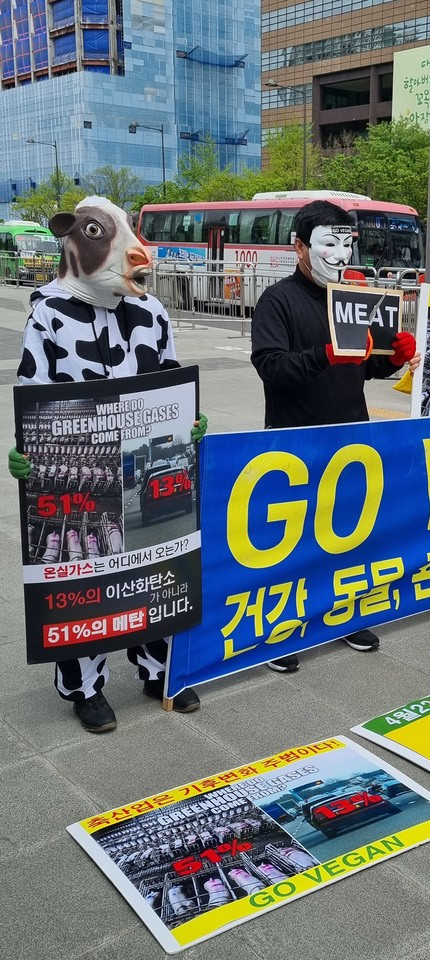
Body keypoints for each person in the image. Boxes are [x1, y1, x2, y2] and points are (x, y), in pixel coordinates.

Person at [8, 196, 207, 733]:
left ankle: (157, 667)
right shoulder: (48, 313)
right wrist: (28, 452)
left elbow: (168, 380)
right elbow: (34, 390)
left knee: (154, 567)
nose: (136, 254)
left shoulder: (150, 311)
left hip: (138, 458)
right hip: (78, 469)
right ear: (73, 241)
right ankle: (84, 685)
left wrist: (188, 423)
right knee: (82, 569)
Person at [251, 200, 420, 671]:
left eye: (347, 244)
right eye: (329, 243)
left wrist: (392, 358)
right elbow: (269, 366)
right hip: (294, 440)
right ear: (300, 247)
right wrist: (325, 354)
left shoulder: (351, 298)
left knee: (347, 535)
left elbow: (364, 365)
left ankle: (343, 614)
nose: (341, 256)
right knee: (292, 543)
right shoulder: (277, 300)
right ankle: (281, 631)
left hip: (350, 438)